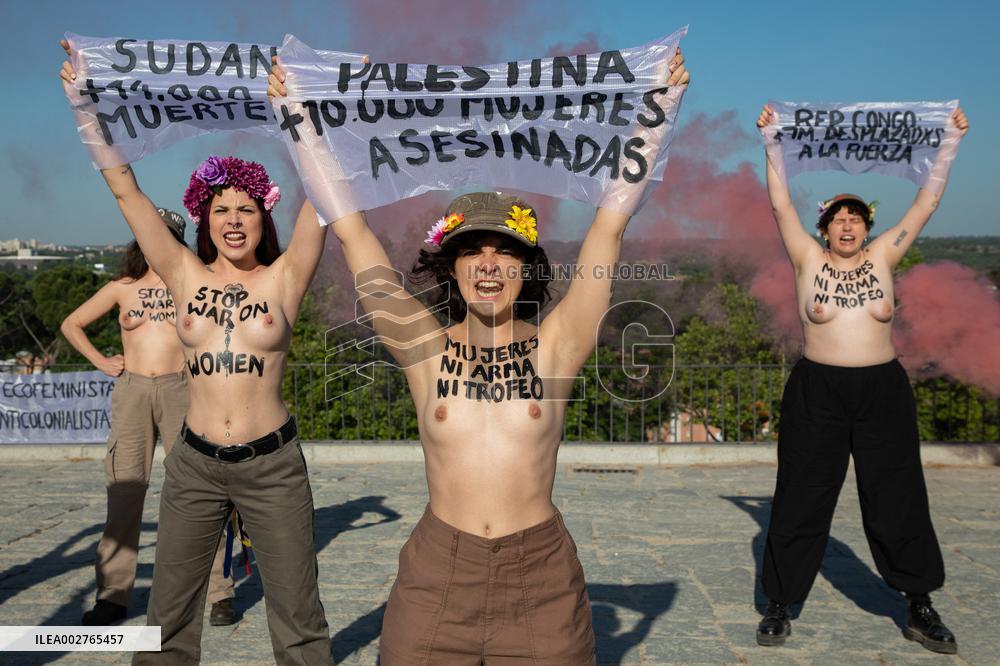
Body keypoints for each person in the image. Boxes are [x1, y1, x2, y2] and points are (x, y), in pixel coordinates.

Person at [269, 50, 689, 663]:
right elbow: (352, 230)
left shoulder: (559, 345)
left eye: (506, 252)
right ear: (451, 268)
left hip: (540, 575)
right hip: (439, 571)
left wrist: (659, 110)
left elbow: (610, 226)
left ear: (527, 269)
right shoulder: (422, 347)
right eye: (473, 252)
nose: (489, 264)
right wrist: (298, 120)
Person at [61, 41, 333, 665]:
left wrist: (304, 112)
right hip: (194, 466)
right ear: (201, 217)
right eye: (220, 210)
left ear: (266, 217)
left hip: (272, 466)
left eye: (246, 210)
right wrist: (84, 104)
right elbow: (127, 191)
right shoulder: (180, 274)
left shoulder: (286, 277)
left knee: (298, 618)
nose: (233, 220)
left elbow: (325, 188)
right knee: (168, 621)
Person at [753, 104, 969, 654]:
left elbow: (927, 200)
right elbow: (780, 203)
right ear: (824, 228)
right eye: (837, 219)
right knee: (801, 495)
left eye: (856, 219)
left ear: (867, 227)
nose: (847, 225)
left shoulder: (884, 259)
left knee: (897, 496)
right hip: (817, 392)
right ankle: (779, 604)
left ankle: (918, 603)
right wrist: (772, 141)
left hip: (881, 392)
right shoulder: (805, 258)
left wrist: (948, 142)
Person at [61, 209, 235, 627]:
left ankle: (219, 592)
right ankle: (113, 597)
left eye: (168, 235)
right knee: (125, 492)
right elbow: (72, 324)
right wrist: (102, 361)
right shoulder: (122, 288)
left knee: (200, 491)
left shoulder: (191, 283)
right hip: (133, 392)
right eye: (150, 234)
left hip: (182, 389)